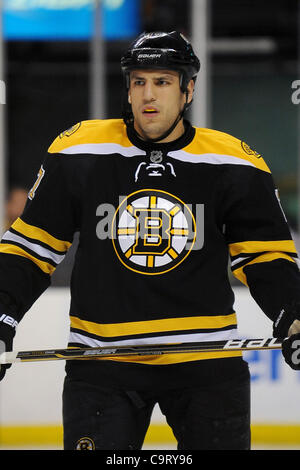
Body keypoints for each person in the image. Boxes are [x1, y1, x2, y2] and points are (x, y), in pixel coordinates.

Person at [0, 31, 300, 451]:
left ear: (188, 88)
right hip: (103, 366)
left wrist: (293, 313)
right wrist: (2, 313)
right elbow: (29, 250)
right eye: (139, 81)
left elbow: (267, 258)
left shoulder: (234, 161)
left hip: (206, 364)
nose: (148, 95)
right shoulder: (80, 150)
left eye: (162, 82)